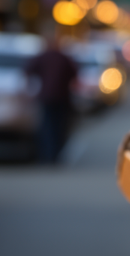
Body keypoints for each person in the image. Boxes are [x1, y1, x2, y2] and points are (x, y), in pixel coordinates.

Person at [25, 33, 78, 163]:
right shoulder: (63, 58)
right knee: (58, 127)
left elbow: (27, 71)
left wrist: (31, 89)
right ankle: (54, 155)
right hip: (61, 98)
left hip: (48, 97)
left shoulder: (44, 57)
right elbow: (75, 75)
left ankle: (47, 155)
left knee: (47, 127)